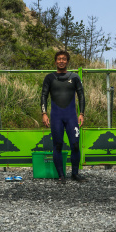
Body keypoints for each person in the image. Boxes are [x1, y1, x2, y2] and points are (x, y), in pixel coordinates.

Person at [41, 50, 85, 183]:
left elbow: (81, 95)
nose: (61, 61)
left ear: (67, 61)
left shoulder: (75, 77)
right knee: (58, 145)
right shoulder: (49, 78)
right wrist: (44, 113)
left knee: (75, 145)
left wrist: (81, 113)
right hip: (56, 117)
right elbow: (43, 95)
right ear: (55, 62)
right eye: (59, 59)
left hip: (71, 116)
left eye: (64, 59)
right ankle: (61, 175)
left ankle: (75, 174)